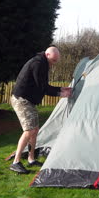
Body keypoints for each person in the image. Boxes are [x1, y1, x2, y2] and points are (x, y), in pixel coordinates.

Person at [9, 46, 72, 174]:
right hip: (21, 100)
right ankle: (16, 162)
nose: (53, 64)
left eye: (56, 61)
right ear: (47, 55)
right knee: (29, 130)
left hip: (28, 100)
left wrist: (61, 89)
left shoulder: (43, 62)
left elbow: (44, 85)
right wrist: (60, 93)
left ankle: (31, 158)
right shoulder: (38, 64)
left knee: (35, 130)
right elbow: (42, 87)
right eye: (53, 61)